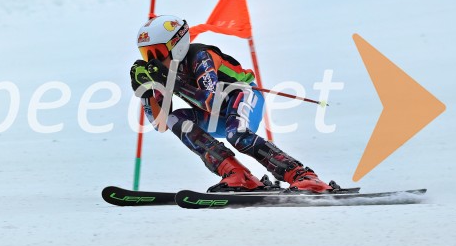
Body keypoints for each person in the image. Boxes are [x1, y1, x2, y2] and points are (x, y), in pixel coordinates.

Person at [130, 14, 332, 193]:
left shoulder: (201, 57)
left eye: (157, 52)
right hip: (217, 115)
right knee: (175, 118)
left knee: (237, 135)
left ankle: (302, 175)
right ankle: (237, 174)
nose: (152, 61)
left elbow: (211, 101)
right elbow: (161, 124)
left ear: (178, 46)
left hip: (244, 95)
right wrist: (145, 92)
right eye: (146, 54)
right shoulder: (162, 72)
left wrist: (173, 83)